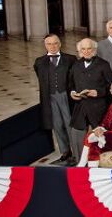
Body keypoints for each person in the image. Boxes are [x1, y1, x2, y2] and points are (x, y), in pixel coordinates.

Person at [68, 38, 112, 164]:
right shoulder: (76, 65)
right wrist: (73, 93)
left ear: (94, 50)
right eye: (83, 49)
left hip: (98, 108)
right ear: (79, 51)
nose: (86, 51)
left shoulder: (103, 64)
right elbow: (71, 84)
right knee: (77, 135)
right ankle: (80, 164)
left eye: (89, 48)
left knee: (100, 138)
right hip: (81, 106)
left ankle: (99, 165)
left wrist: (98, 92)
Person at [34, 34, 77, 165]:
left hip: (66, 95)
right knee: (57, 125)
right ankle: (65, 152)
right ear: (45, 45)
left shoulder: (71, 59)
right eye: (49, 44)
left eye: (55, 43)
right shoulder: (39, 62)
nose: (52, 46)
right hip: (50, 97)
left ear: (60, 44)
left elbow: (75, 78)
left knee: (70, 124)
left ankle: (76, 153)